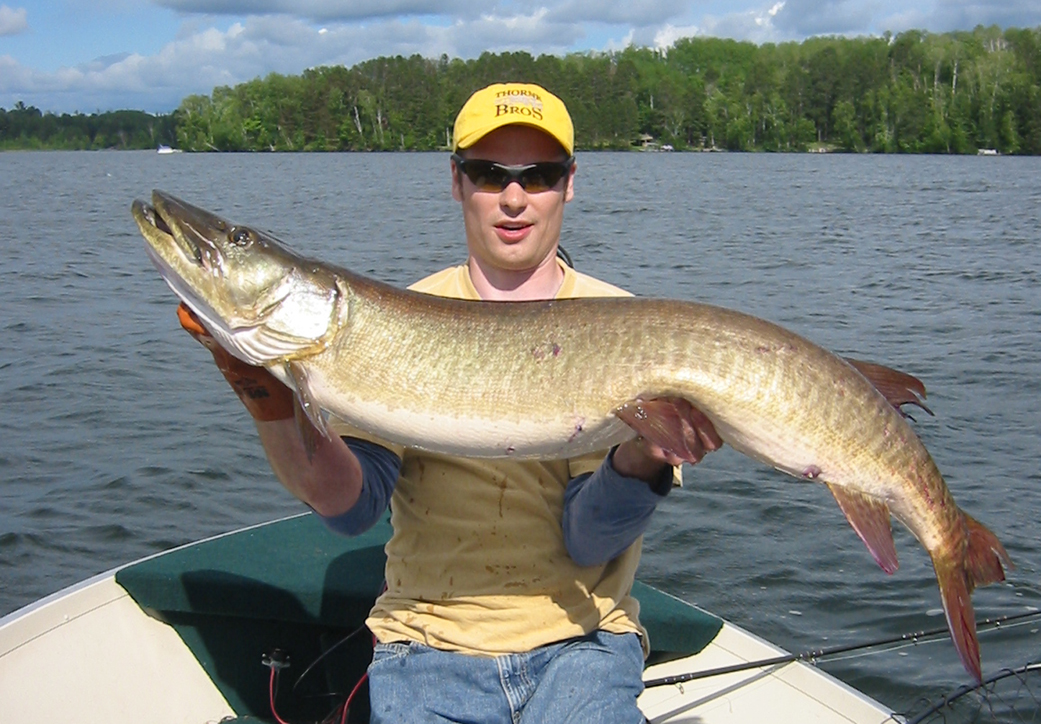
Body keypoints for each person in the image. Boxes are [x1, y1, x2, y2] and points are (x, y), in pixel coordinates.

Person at [180, 82, 721, 723]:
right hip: (424, 647)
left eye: (538, 175)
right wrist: (268, 398)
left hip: (584, 645)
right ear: (457, 181)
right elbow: (349, 507)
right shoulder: (384, 325)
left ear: (569, 183)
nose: (514, 198)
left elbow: (588, 537)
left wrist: (643, 459)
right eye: (490, 174)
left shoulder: (625, 331)